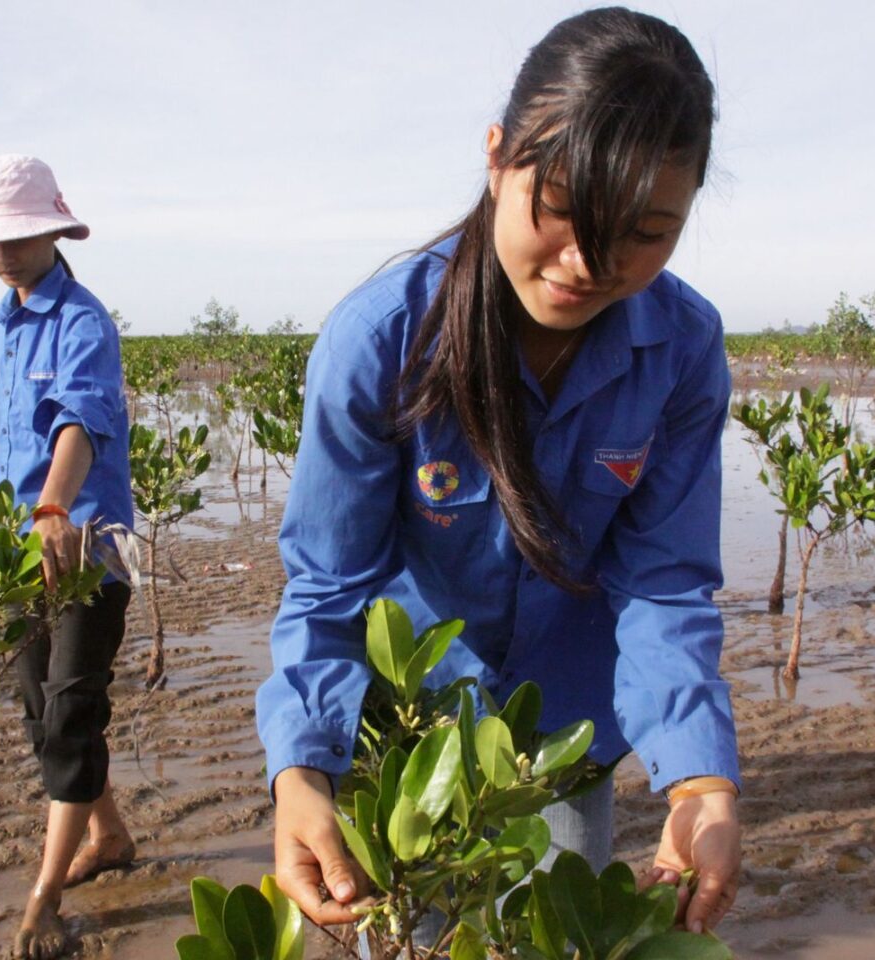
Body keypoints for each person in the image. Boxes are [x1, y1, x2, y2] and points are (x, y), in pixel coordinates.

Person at [257, 5, 742, 947]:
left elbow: (665, 579)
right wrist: (301, 773)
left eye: (645, 232)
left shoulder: (682, 349)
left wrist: (700, 783)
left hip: (566, 739)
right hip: (410, 739)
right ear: (496, 156)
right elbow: (328, 584)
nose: (589, 265)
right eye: (560, 210)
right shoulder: (380, 342)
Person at [0, 154, 135, 960]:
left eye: (17, 237)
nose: (3, 255)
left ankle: (43, 898)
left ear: (54, 227)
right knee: (38, 710)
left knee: (70, 710)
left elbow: (76, 426)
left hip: (83, 545)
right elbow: (9, 421)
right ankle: (109, 835)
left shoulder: (83, 322)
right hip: (14, 552)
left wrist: (54, 506)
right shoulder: (2, 319)